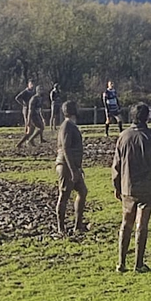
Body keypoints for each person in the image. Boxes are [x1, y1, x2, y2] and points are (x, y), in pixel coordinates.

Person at [112, 104, 151, 273]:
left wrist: (116, 186)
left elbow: (116, 165)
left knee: (126, 224)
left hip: (127, 188)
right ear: (146, 118)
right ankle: (139, 263)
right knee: (141, 225)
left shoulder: (123, 137)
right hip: (147, 188)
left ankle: (121, 263)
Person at [55, 100, 87, 236]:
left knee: (83, 191)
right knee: (64, 195)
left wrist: (78, 167)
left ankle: (78, 225)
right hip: (66, 166)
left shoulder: (70, 125)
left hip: (72, 165)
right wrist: (73, 170)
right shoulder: (67, 126)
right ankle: (60, 228)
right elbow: (66, 149)